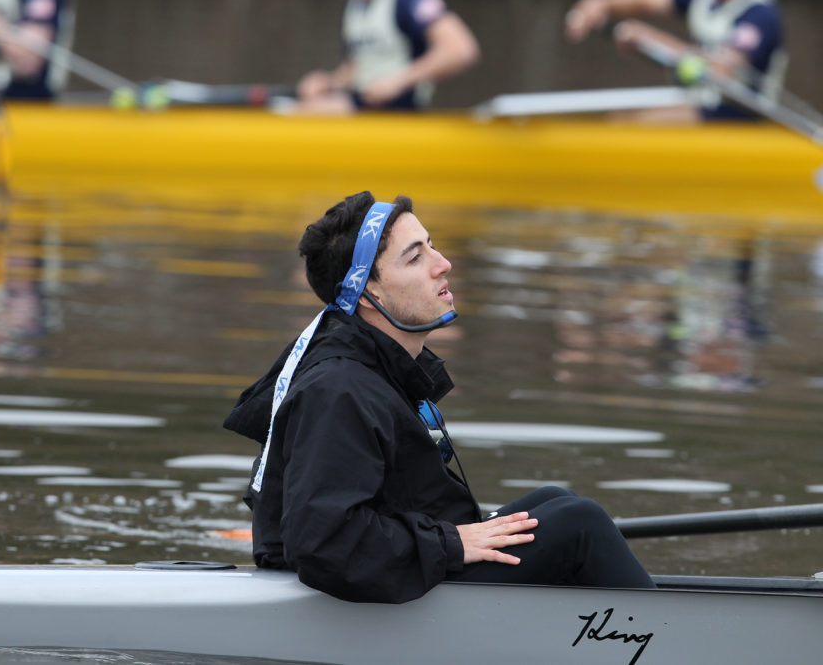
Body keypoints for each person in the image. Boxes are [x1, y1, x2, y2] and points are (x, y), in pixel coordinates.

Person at [223, 191, 655, 604]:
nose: (443, 264)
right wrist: (451, 541)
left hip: (396, 564)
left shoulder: (372, 367)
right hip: (345, 589)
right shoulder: (338, 389)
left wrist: (455, 536)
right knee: (582, 525)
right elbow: (323, 544)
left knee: (557, 501)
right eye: (415, 257)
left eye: (432, 246)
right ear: (370, 293)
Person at [564, 0, 786, 121]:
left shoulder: (760, 12)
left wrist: (650, 39)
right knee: (620, 120)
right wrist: (601, 1)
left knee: (632, 127)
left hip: (741, 115)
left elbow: (720, 70)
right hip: (701, 104)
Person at [293, 0, 480, 114]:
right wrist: (330, 82)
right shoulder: (355, 3)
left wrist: (398, 82)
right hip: (362, 106)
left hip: (399, 112)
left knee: (306, 117)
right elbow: (357, 66)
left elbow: (460, 49)